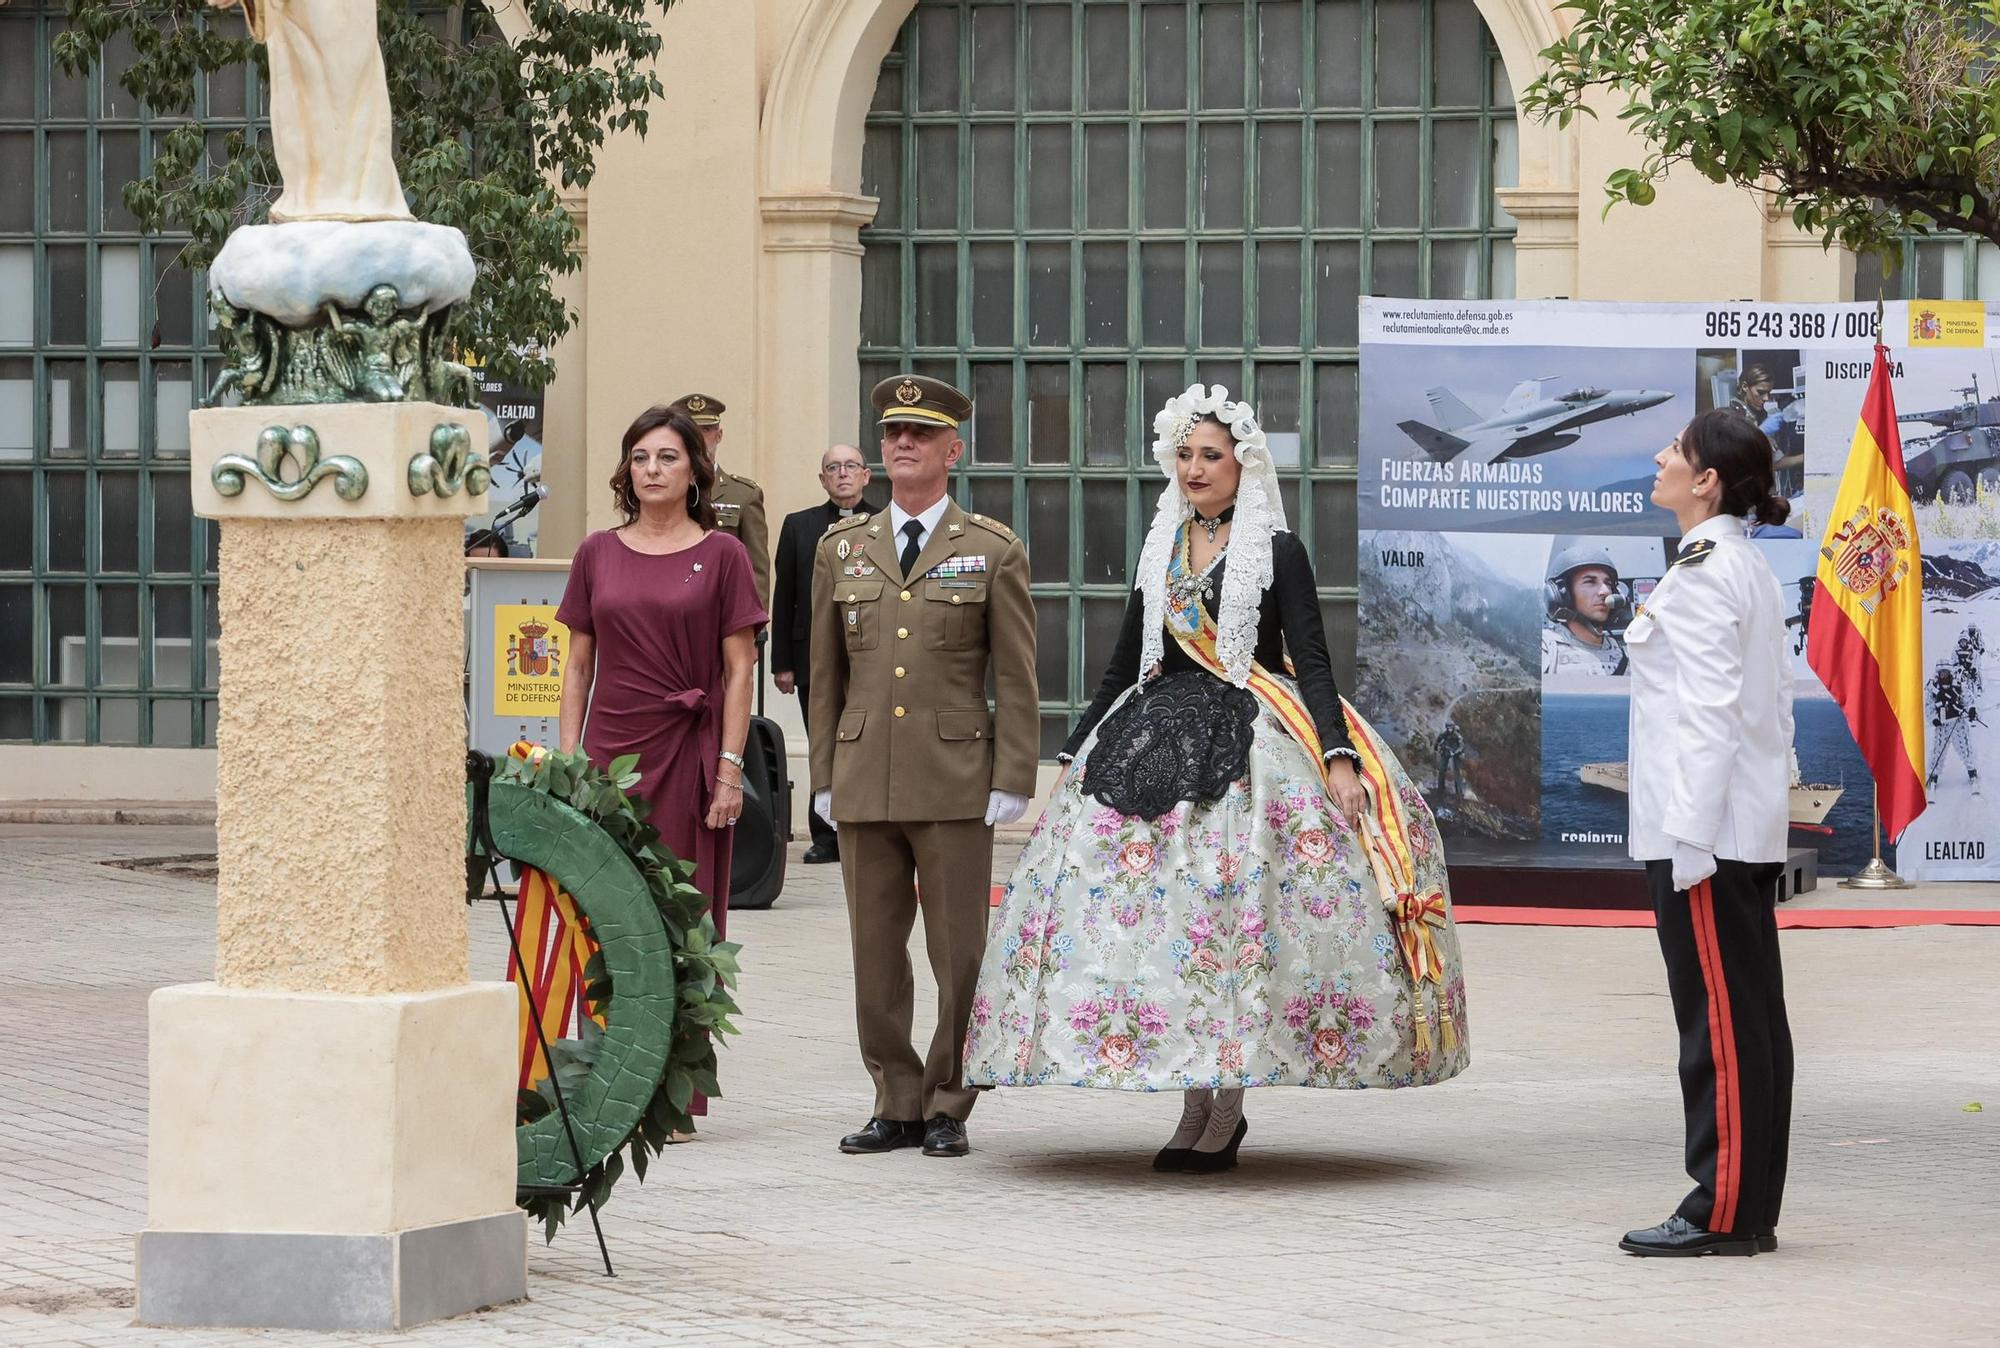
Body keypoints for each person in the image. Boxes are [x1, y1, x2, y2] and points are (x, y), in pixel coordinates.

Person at [963, 384, 1470, 1173]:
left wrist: (1338, 759)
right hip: (1154, 729)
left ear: (1243, 464)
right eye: (1185, 455)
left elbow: (1312, 656)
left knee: (1232, 921)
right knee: (1164, 933)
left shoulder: (1278, 551)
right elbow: (1127, 657)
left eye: (1210, 455)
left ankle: (1225, 1109)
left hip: (1250, 738)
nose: (1194, 468)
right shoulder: (1161, 545)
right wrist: (1075, 753)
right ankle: (1191, 1099)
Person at [809, 375, 1038, 1160]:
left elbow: (1015, 674)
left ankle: (949, 1100)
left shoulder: (991, 549)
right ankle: (894, 1099)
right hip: (866, 772)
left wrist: (1014, 776)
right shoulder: (842, 549)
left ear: (953, 449)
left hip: (953, 779)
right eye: (891, 433)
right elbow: (826, 673)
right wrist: (823, 778)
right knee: (875, 954)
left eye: (920, 434)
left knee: (958, 954)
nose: (901, 444)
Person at [555, 403, 766, 1126]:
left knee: (682, 923)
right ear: (627, 470)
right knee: (607, 917)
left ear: (694, 471)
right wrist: (567, 763)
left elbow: (741, 671)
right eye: (641, 457)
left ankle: (671, 1088)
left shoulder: (725, 554)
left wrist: (731, 769)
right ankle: (603, 1075)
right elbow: (577, 665)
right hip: (612, 758)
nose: (652, 470)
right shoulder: (596, 553)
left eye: (667, 457)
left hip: (692, 755)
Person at [1620, 407, 1795, 1257]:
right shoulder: (1741, 565)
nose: (1660, 458)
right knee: (1752, 1021)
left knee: (1718, 1028)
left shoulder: (1704, 570)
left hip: (1704, 835)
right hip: (1737, 828)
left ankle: (1718, 1210)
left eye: (1677, 452)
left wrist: (1688, 839)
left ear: (1707, 481)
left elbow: (1710, 714)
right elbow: (1774, 709)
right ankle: (1748, 1205)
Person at [773, 444, 881, 864]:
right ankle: (824, 836)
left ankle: (865, 829)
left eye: (850, 466)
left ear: (866, 475)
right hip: (811, 655)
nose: (842, 474)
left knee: (865, 742)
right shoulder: (799, 526)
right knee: (822, 740)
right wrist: (782, 661)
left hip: (868, 655)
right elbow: (785, 596)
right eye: (832, 468)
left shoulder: (884, 521)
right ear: (822, 479)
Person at [673, 394, 771, 613]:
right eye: (691, 431)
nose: (699, 438)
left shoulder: (744, 494)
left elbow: (756, 568)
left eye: (706, 430)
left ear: (719, 435)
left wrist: (755, 624)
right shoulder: (664, 489)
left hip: (723, 610)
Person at [1541, 545, 1629, 676]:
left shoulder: (1626, 655)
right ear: (1562, 595)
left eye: (1608, 583)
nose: (1605, 591)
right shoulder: (1545, 649)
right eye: (1590, 582)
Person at [1925, 660, 1981, 795]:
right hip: (1942, 724)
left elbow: (1968, 698)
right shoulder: (1932, 687)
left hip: (1958, 722)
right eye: (1941, 672)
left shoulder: (1958, 684)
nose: (1943, 674)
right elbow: (1929, 705)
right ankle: (1934, 776)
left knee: (1965, 748)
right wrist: (1933, 719)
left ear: (1949, 672)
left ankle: (1972, 772)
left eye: (1945, 672)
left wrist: (1972, 710)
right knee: (1938, 751)